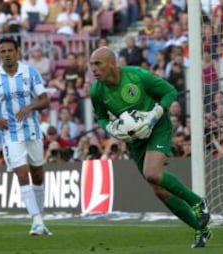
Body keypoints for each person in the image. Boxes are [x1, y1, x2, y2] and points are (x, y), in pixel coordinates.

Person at [89, 47, 212, 248]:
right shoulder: (96, 90)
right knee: (159, 190)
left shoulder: (137, 76)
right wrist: (110, 127)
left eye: (98, 63)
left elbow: (170, 91)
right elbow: (101, 117)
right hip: (134, 140)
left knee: (152, 173)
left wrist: (155, 113)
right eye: (91, 64)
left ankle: (198, 202)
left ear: (112, 64)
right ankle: (201, 229)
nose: (93, 68)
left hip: (157, 127)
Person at [0, 37, 51, 236]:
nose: (6, 54)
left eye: (10, 51)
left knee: (37, 174)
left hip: (32, 130)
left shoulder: (30, 72)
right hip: (10, 133)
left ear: (17, 52)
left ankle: (40, 218)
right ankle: (36, 221)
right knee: (22, 173)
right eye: (2, 51)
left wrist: (30, 107)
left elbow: (45, 99)